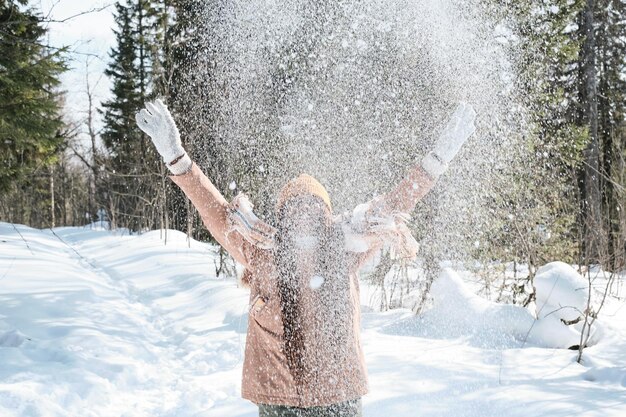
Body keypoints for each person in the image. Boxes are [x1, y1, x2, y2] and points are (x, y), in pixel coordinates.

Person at [135, 99, 476, 416]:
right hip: (277, 399)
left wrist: (438, 159)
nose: (304, 217)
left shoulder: (346, 248)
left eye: (314, 209)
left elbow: (396, 203)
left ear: (326, 217)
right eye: (295, 210)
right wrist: (177, 158)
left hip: (338, 397)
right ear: (282, 218)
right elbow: (216, 212)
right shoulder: (261, 250)